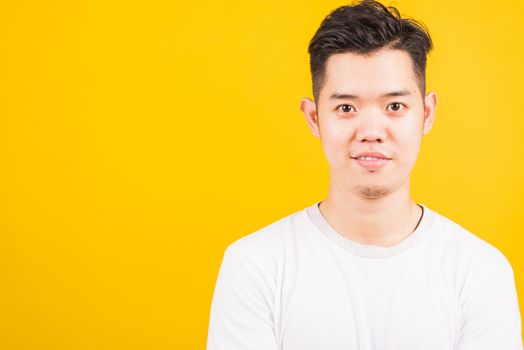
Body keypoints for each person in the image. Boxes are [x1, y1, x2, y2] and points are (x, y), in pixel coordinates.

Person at [206, 0, 523, 349]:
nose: (371, 130)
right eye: (346, 107)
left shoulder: (479, 273)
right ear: (314, 117)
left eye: (395, 106)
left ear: (427, 112)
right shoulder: (256, 267)